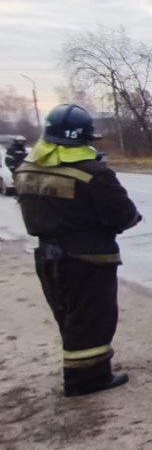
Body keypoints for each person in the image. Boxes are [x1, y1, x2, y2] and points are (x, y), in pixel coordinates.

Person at [14, 104, 142, 397]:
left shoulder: (25, 169)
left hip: (47, 257)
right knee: (92, 319)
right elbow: (124, 215)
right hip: (89, 258)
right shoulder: (93, 173)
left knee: (68, 315)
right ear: (84, 139)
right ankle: (87, 380)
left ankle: (79, 372)